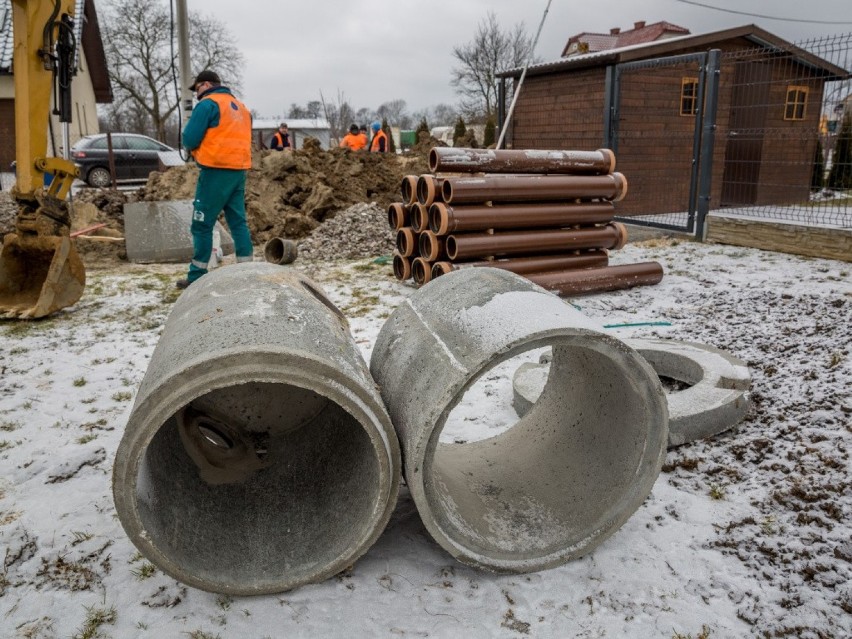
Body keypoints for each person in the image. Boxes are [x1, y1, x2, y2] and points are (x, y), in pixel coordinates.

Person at [176, 69, 254, 289]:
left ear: (207, 85)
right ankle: (246, 269)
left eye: (198, 88)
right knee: (238, 221)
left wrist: (192, 146)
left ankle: (197, 275)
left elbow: (190, 138)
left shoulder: (208, 105)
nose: (197, 94)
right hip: (238, 170)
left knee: (201, 224)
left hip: (214, 170)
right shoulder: (242, 107)